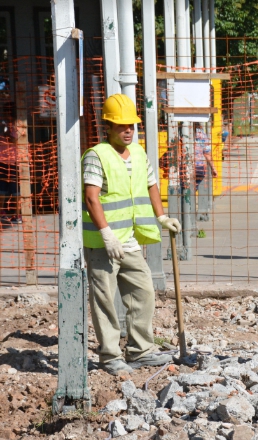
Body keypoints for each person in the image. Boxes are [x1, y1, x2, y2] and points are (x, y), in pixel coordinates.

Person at [82, 94, 182, 375]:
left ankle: (140, 350)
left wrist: (161, 216)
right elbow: (92, 198)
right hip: (105, 243)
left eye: (132, 126)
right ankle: (110, 355)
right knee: (104, 299)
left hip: (130, 240)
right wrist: (106, 234)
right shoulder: (96, 156)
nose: (128, 130)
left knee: (143, 291)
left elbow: (151, 184)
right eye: (121, 126)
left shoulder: (138, 153)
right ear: (108, 127)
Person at [0, 102, 21, 226]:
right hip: (2, 160)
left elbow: (16, 140)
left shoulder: (18, 124)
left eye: (8, 111)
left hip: (14, 161)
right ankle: (2, 212)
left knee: (16, 190)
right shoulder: (2, 123)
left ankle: (18, 214)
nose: (6, 114)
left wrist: (6, 132)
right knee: (1, 189)